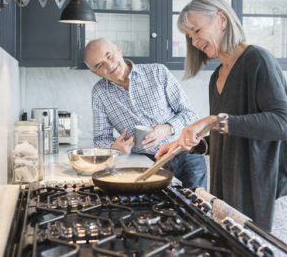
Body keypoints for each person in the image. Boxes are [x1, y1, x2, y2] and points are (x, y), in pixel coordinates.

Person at [155, 0, 287, 251]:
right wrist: (189, 145)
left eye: (196, 31)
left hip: (276, 190)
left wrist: (213, 120)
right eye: (189, 37)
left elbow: (282, 124)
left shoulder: (257, 60)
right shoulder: (218, 75)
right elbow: (230, 135)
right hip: (243, 188)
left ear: (221, 19)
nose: (194, 42)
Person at [84, 38, 207, 189]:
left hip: (186, 153)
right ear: (94, 72)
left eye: (109, 56)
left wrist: (166, 129)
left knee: (196, 206)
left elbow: (190, 114)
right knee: (159, 209)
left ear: (118, 50)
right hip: (147, 163)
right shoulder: (99, 93)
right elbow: (100, 139)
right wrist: (115, 148)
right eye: (99, 65)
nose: (109, 65)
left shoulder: (157, 72)